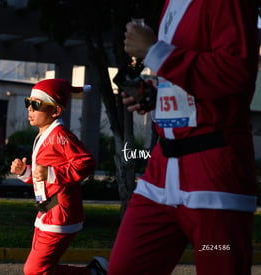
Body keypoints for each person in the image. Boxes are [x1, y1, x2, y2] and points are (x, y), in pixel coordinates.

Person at [108, 0, 259, 274]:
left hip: (213, 177)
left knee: (219, 260)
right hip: (160, 173)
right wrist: (153, 95)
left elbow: (235, 71)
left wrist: (155, 51)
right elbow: (184, 79)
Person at [10, 78, 109, 275]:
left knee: (34, 270)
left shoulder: (60, 136)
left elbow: (87, 162)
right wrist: (25, 172)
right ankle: (95, 271)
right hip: (47, 210)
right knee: (42, 269)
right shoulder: (46, 135)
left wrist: (52, 173)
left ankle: (95, 273)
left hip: (60, 214)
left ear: (55, 111)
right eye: (28, 103)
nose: (30, 109)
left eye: (36, 105)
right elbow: (43, 177)